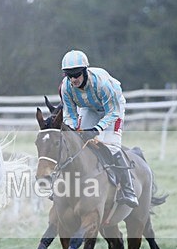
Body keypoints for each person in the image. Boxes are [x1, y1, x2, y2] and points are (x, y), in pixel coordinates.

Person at [59, 49, 138, 207]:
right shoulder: (66, 88)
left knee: (112, 146)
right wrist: (75, 130)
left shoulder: (102, 84)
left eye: (77, 74)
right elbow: (70, 114)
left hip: (113, 109)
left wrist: (96, 130)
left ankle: (129, 190)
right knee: (80, 142)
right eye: (69, 75)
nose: (73, 79)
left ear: (85, 71)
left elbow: (112, 112)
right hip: (89, 107)